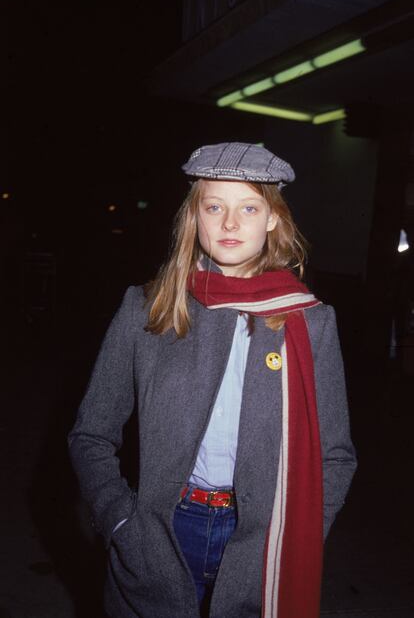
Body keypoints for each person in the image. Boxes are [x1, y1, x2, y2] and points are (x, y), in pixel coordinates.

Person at [68, 142, 357, 618]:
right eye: (214, 206)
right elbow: (92, 435)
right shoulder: (146, 308)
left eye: (248, 207)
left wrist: (300, 532)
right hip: (162, 534)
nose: (229, 223)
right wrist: (122, 522)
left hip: (263, 543)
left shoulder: (311, 321)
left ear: (271, 219)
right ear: (194, 217)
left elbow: (336, 456)